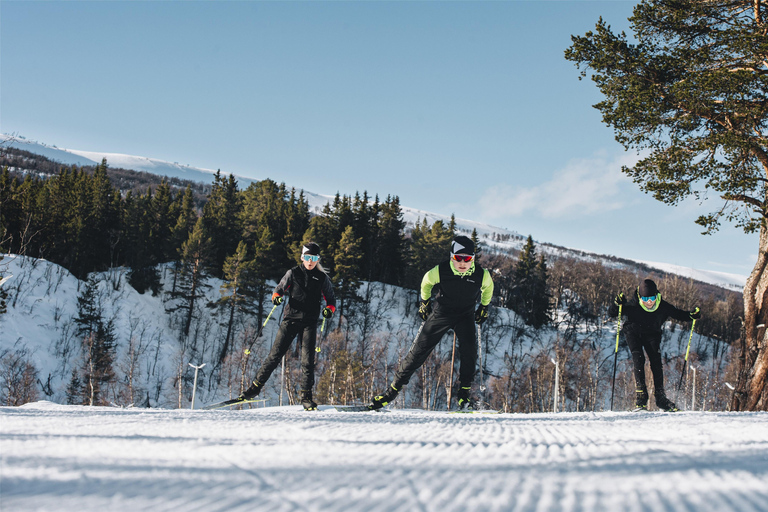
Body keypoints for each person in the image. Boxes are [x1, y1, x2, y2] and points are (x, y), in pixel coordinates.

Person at [368, 235, 494, 411]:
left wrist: (484, 307)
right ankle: (391, 392)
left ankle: (464, 395)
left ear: (472, 259)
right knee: (419, 351)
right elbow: (426, 282)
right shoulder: (441, 270)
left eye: (467, 258)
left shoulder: (481, 274)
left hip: (465, 315)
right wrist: (424, 302)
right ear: (452, 257)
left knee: (470, 351)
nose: (463, 262)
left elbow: (488, 288)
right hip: (442, 313)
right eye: (458, 258)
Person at [239, 242, 336, 411]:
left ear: (318, 259)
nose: (310, 261)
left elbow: (331, 299)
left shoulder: (322, 278)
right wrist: (277, 297)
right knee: (274, 356)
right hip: (290, 319)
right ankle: (253, 390)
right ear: (302, 257)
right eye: (307, 257)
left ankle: (306, 397)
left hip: (310, 322)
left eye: (314, 258)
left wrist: (329, 310)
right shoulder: (293, 273)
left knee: (307, 361)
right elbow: (279, 289)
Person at [609, 278, 701, 412]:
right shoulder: (633, 305)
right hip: (633, 332)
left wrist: (692, 315)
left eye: (652, 298)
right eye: (645, 299)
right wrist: (617, 304)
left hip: (652, 333)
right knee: (638, 358)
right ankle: (641, 395)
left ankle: (660, 397)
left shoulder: (662, 306)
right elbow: (612, 312)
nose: (649, 302)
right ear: (640, 297)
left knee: (656, 362)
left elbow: (679, 314)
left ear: (656, 295)